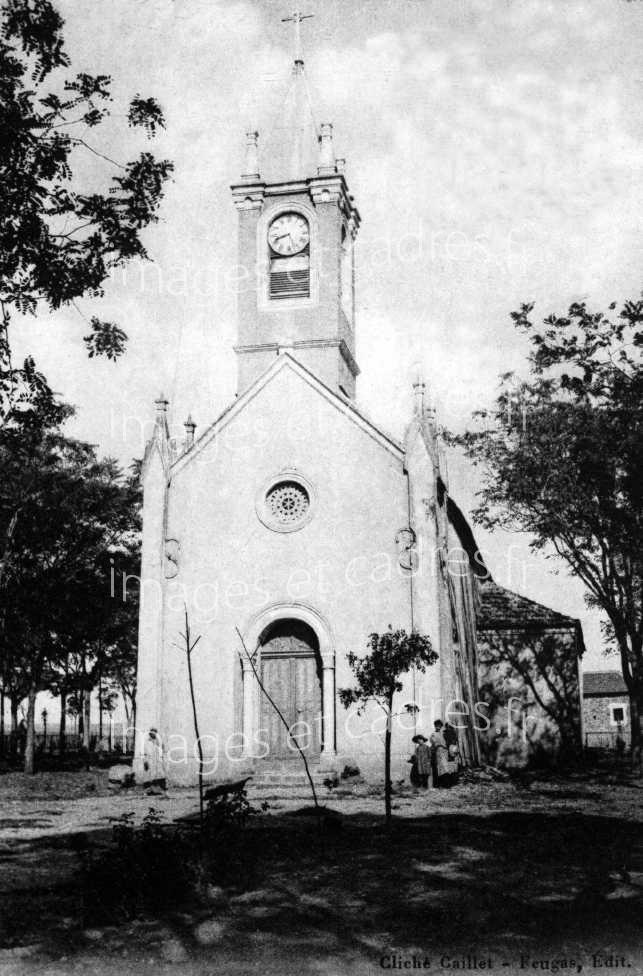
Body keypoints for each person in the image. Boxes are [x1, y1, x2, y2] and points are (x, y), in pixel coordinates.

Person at [430, 720, 458, 788]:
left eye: (439, 726)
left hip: (446, 752)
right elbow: (435, 743)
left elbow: (449, 740)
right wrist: (440, 745)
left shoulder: (443, 733)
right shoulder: (433, 734)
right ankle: (444, 784)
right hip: (439, 751)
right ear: (435, 726)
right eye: (437, 726)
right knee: (442, 767)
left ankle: (449, 783)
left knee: (447, 767)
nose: (438, 727)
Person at [143, 727, 167, 795]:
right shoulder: (146, 742)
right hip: (150, 761)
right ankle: (148, 791)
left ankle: (161, 790)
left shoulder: (159, 741)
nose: (153, 734)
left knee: (160, 775)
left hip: (158, 761)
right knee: (149, 776)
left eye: (155, 733)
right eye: (152, 733)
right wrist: (145, 761)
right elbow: (145, 752)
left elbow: (163, 749)